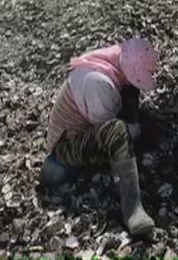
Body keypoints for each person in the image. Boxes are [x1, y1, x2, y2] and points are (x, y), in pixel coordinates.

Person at [40, 37, 159, 237]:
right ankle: (133, 209)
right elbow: (109, 131)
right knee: (118, 130)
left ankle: (129, 154)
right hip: (64, 149)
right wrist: (138, 130)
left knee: (129, 90)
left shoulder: (112, 62)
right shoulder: (98, 82)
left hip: (86, 130)